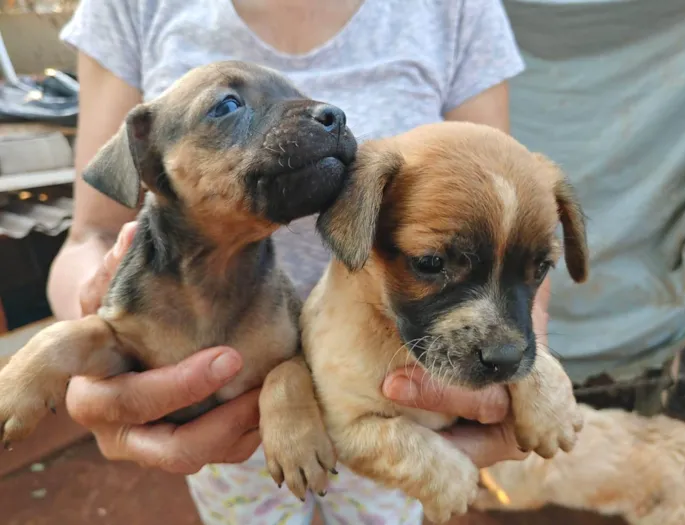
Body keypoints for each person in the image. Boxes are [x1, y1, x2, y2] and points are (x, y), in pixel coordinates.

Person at [49, 0, 538, 523]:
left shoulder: (457, 9)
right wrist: (111, 348)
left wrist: (511, 366)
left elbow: (515, 214)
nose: (326, 114)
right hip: (230, 419)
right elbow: (93, 233)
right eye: (227, 108)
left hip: (396, 402)